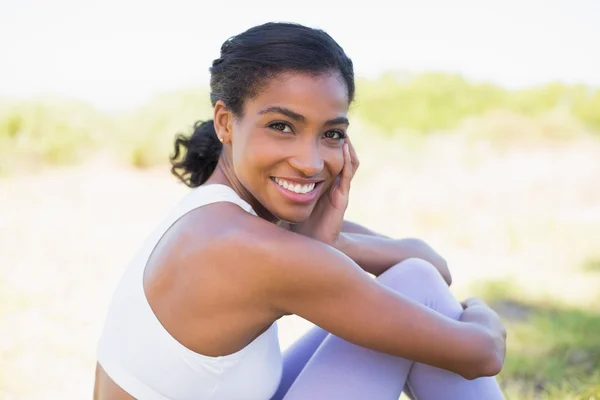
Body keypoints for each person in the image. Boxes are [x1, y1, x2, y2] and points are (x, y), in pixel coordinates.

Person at [93, 22, 506, 400]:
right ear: (225, 122)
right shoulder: (250, 248)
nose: (310, 162)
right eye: (282, 126)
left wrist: (332, 241)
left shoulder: (227, 216)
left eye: (331, 134)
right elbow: (481, 355)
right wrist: (482, 313)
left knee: (413, 281)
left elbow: (428, 270)